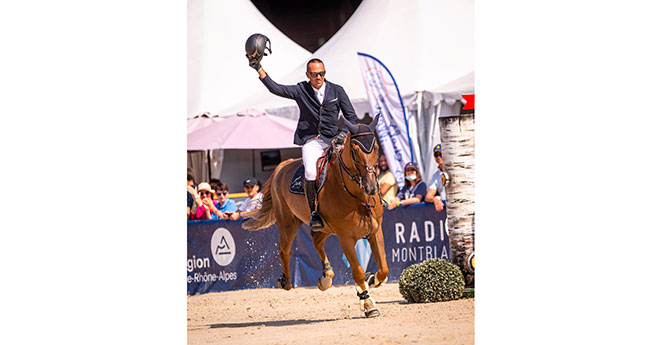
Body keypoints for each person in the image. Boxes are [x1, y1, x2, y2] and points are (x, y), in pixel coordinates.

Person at [247, 48, 358, 230]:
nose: (319, 77)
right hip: (312, 141)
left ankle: (371, 197)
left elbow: (352, 118)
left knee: (357, 162)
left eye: (321, 73)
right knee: (311, 173)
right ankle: (315, 212)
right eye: (315, 75)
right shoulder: (301, 90)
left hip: (335, 139)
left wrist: (343, 133)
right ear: (308, 75)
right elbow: (277, 88)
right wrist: (259, 68)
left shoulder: (337, 90)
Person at [425, 144, 449, 212]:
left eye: (440, 154)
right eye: (436, 155)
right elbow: (428, 196)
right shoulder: (436, 175)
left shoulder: (455, 170)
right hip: (444, 208)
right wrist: (436, 200)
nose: (438, 157)